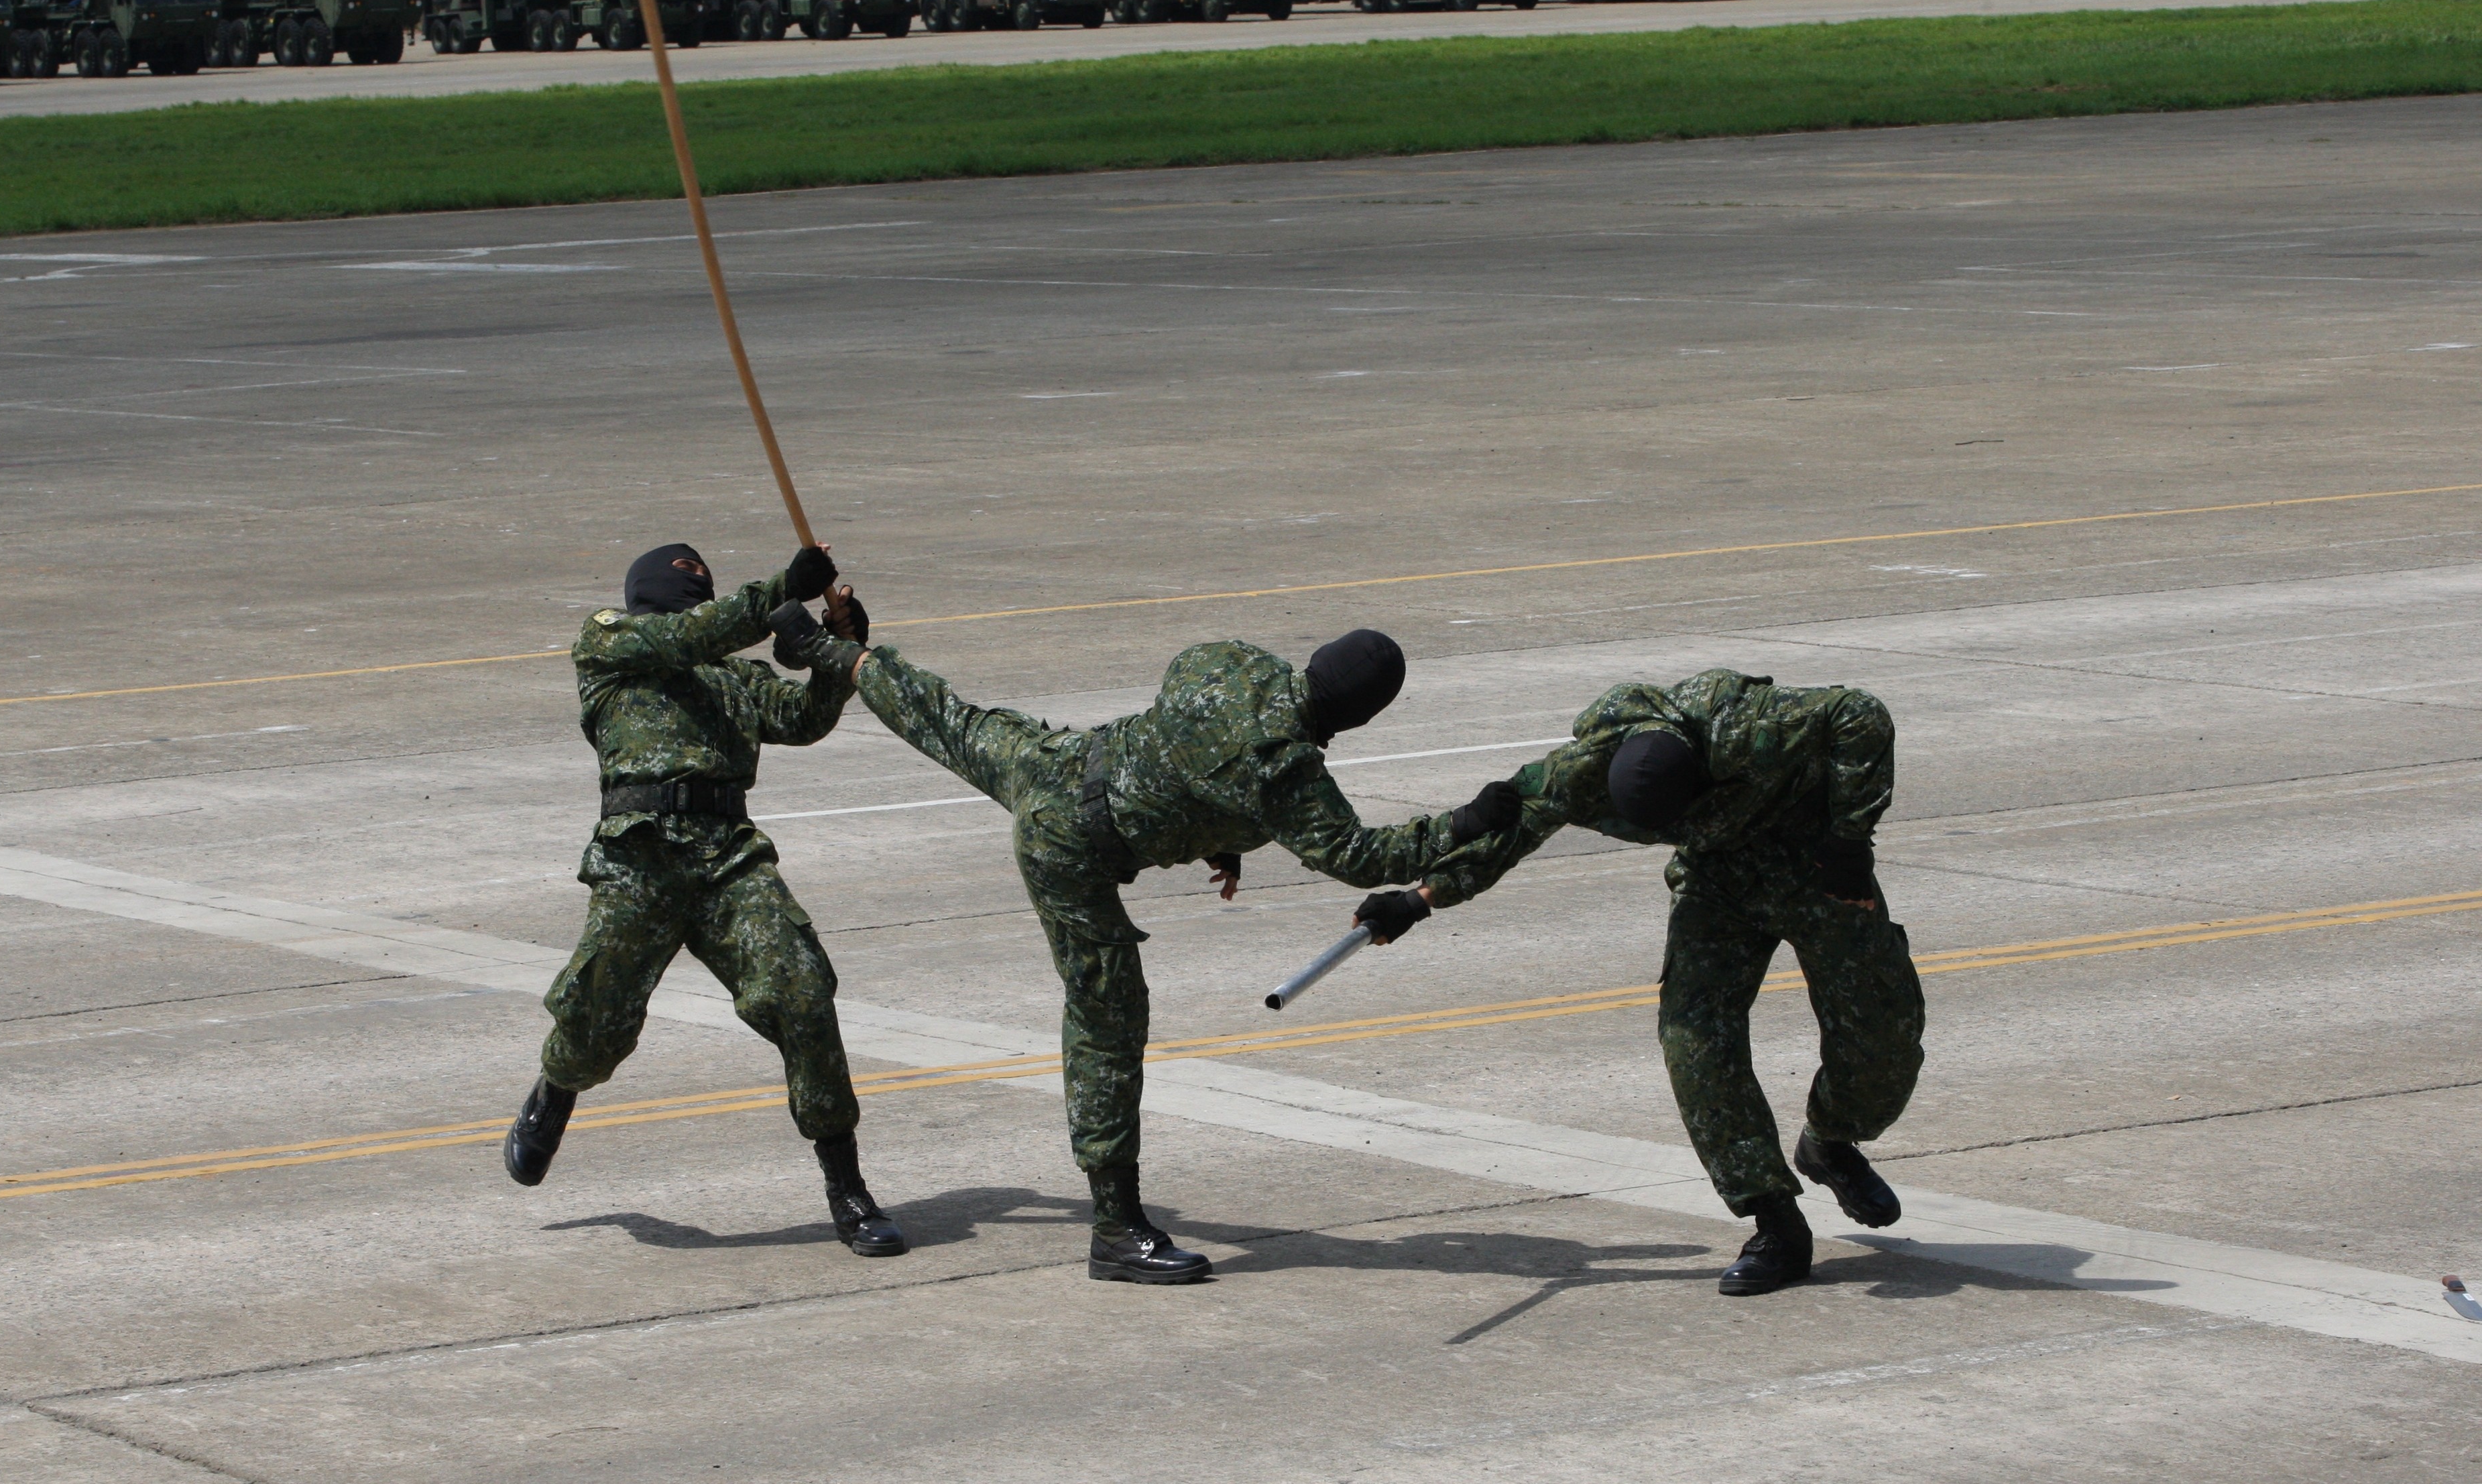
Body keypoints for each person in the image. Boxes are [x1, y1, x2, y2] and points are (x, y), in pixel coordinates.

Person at [766, 605, 1519, 1284]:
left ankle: (834, 651)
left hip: (1058, 761)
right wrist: (1463, 824)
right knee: (1109, 1023)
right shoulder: (1284, 771)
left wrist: (1217, 835)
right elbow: (1356, 855)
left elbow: (1188, 749)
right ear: (1364, 716)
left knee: (949, 717)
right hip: (1072, 852)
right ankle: (1117, 1229)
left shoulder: (1228, 661)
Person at [1394, 669, 1923, 1296]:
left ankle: (1830, 1143)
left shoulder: (1743, 725)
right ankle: (1774, 1222)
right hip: (1716, 882)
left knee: (1882, 1031)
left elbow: (1860, 715)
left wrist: (1849, 839)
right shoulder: (1585, 767)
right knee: (1692, 1036)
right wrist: (1420, 899)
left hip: (1812, 862)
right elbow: (1513, 826)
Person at [501, 542, 910, 1259]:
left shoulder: (731, 675)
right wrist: (780, 590)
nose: (692, 596)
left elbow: (804, 718)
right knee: (598, 1023)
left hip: (728, 856)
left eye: (702, 587)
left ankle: (848, 1188)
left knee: (802, 992)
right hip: (641, 858)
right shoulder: (612, 641)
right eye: (682, 585)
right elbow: (689, 633)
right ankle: (557, 1088)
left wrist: (836, 652)